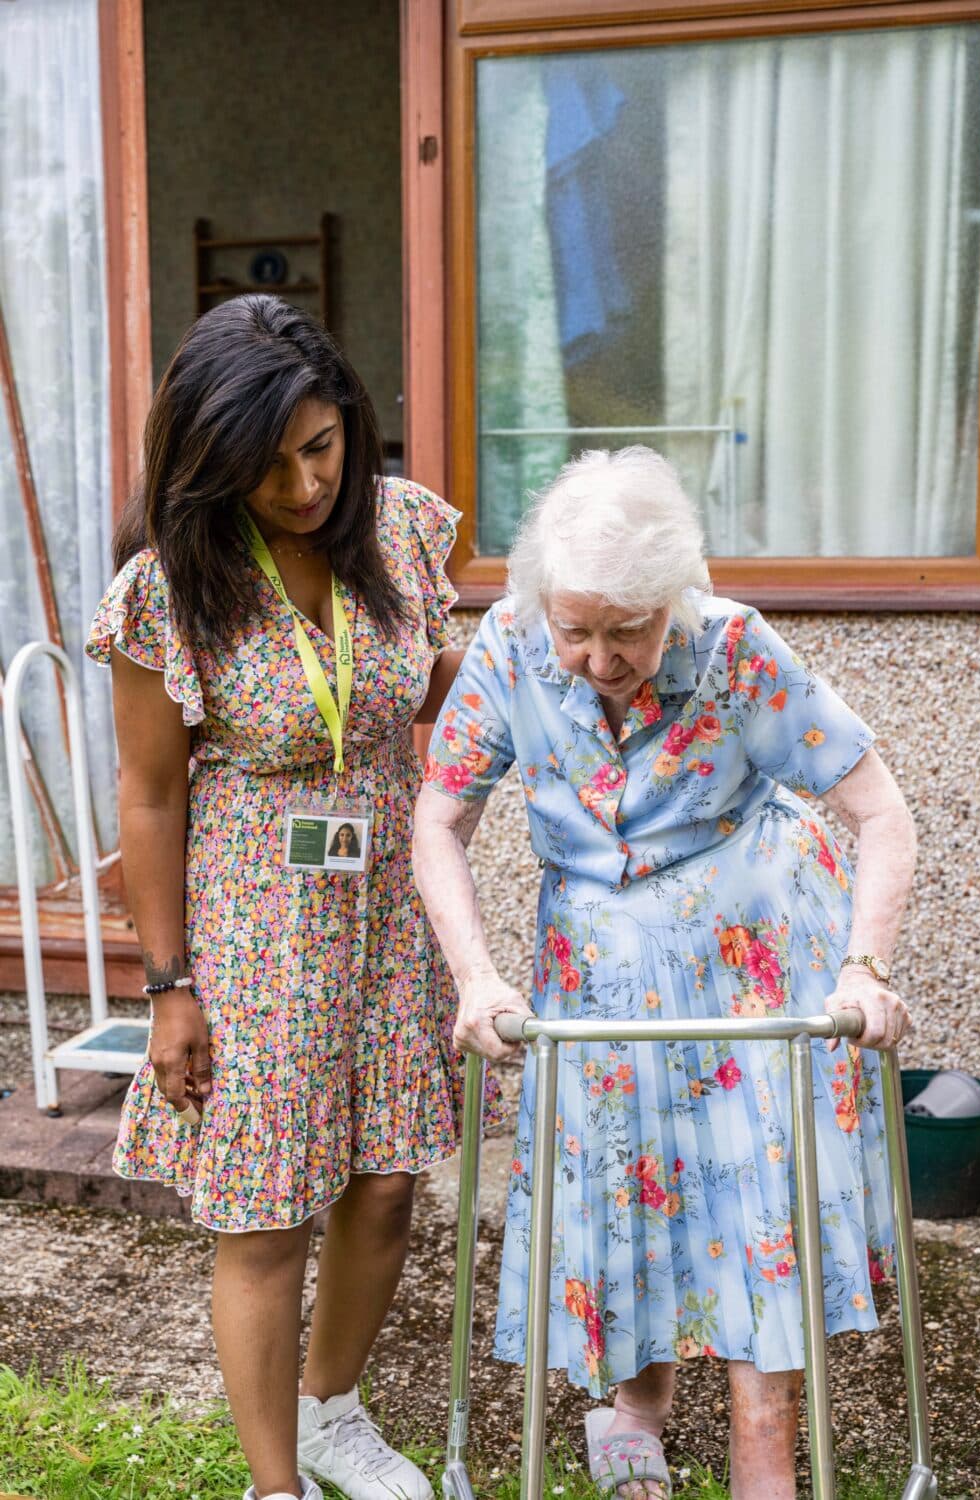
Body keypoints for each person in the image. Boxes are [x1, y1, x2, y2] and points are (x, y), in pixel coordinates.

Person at [413, 446, 916, 1500]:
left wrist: (865, 967)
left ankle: (764, 1460)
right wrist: (475, 977)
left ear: (673, 597)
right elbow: (439, 820)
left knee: (753, 1209)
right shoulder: (507, 650)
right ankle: (632, 1411)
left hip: (751, 964)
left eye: (627, 630)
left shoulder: (735, 649)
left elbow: (879, 812)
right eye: (577, 629)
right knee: (619, 1192)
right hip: (592, 973)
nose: (598, 658)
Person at [87, 294, 496, 1500]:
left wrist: (557, 666)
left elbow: (427, 691)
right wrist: (171, 989)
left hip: (392, 905)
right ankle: (276, 1487)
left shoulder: (403, 534)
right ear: (212, 464)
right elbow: (152, 799)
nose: (307, 484)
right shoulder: (169, 588)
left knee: (385, 1182)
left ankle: (331, 1416)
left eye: (321, 447)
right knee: (265, 1213)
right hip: (254, 921)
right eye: (270, 468)